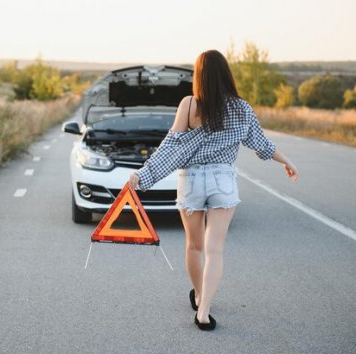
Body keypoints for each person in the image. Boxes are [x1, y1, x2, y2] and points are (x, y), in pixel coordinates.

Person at [128, 50, 299, 331]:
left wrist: (141, 175)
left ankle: (198, 294)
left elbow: (170, 147)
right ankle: (204, 311)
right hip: (223, 179)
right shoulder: (242, 108)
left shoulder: (189, 104)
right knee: (215, 250)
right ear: (226, 74)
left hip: (192, 180)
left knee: (194, 246)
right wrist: (288, 161)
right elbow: (262, 144)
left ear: (199, 76)